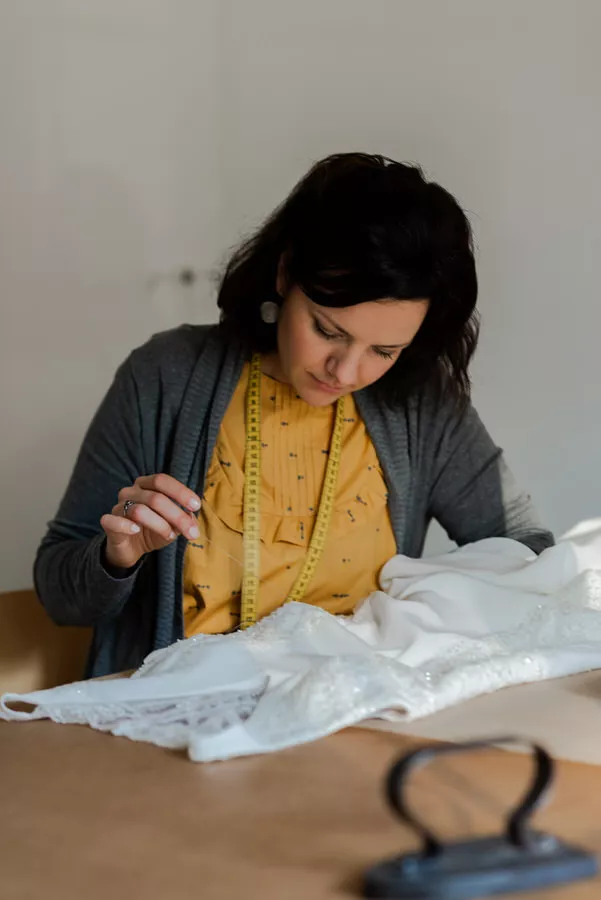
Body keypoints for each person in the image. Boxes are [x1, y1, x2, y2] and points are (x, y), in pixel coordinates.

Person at [34, 152, 553, 677]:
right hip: (181, 710)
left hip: (352, 708)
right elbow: (58, 593)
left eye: (384, 351)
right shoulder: (165, 376)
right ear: (285, 274)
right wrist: (117, 557)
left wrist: (427, 611)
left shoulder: (420, 401)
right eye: (328, 331)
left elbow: (526, 549)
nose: (345, 371)